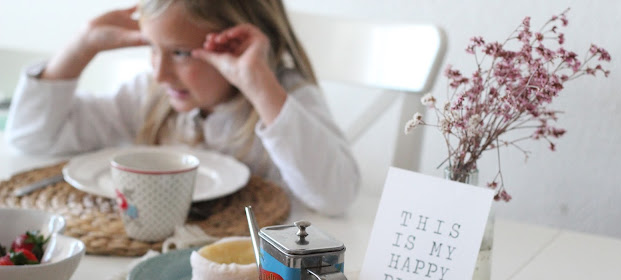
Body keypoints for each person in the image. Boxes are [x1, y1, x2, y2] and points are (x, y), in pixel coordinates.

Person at [5, 0, 360, 216]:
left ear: (236, 43)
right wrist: (81, 47)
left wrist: (259, 83)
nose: (159, 73)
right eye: (152, 47)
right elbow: (31, 138)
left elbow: (336, 196)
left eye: (180, 53)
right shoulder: (150, 95)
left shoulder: (285, 99)